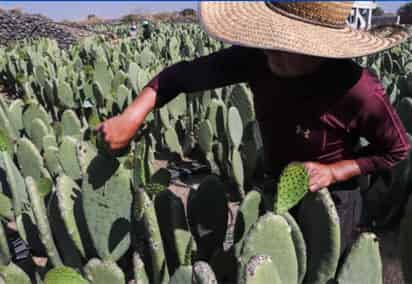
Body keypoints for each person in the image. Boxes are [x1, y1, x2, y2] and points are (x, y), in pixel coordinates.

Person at [97, 2, 412, 253]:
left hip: (331, 203)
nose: (269, 50)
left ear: (322, 48)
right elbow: (180, 76)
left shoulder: (359, 91)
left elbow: (396, 150)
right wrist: (133, 114)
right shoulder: (259, 58)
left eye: (285, 43)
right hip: (276, 184)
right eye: (268, 37)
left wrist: (336, 171)